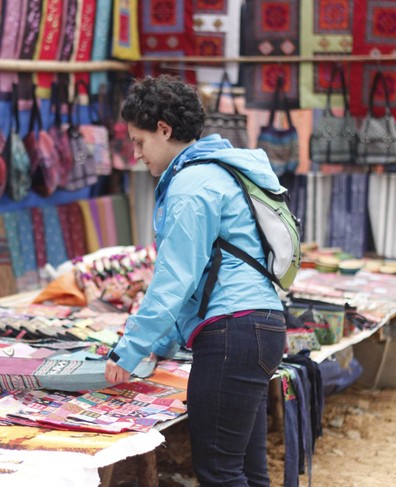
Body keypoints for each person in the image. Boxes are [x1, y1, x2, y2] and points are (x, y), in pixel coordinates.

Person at [104, 75, 287, 487]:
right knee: (248, 474)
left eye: (139, 141)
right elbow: (196, 280)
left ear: (164, 130)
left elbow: (175, 280)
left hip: (231, 335)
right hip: (260, 327)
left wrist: (129, 350)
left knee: (220, 474)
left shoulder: (191, 184)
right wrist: (163, 344)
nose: (135, 154)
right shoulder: (221, 171)